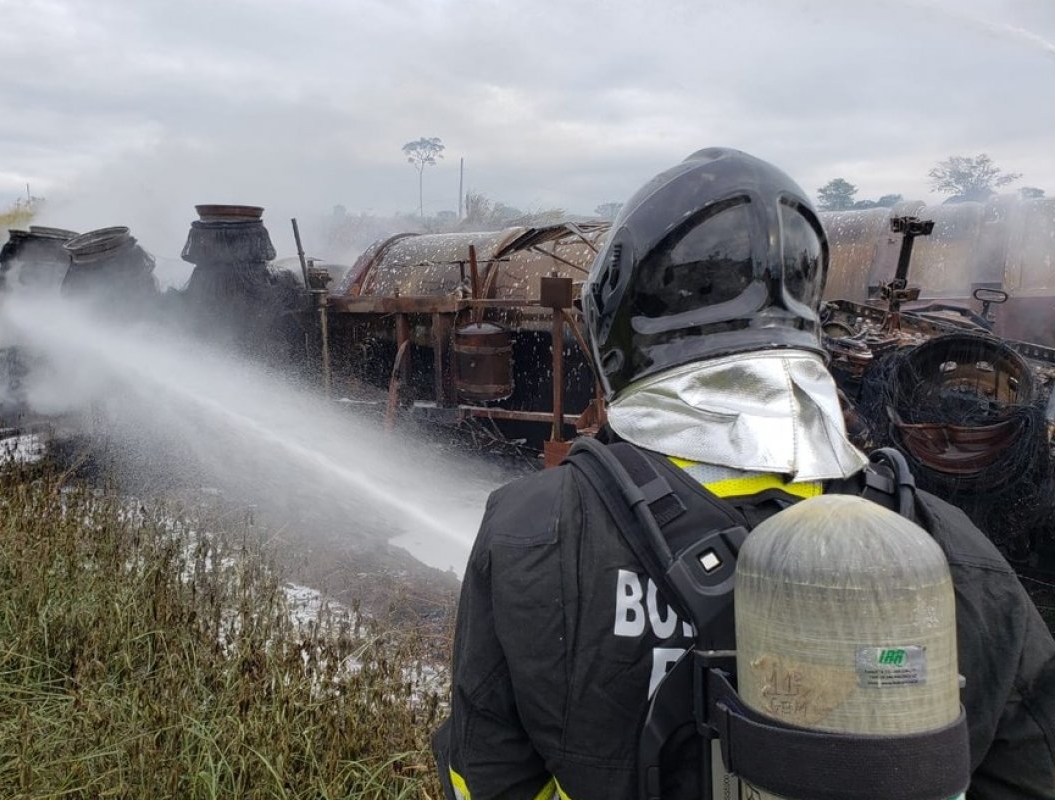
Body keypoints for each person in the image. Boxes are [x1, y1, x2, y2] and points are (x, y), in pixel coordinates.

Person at [432, 148, 1055, 800]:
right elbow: (1029, 769)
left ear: (621, 319)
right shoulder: (950, 552)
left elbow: (483, 775)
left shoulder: (530, 530)